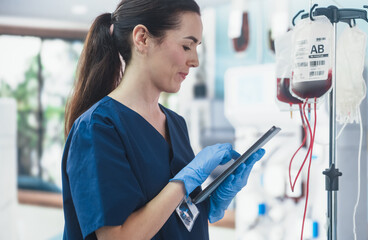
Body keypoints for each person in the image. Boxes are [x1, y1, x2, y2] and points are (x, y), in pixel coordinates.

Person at [61, 0, 265, 239]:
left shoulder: (175, 124)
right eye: (187, 46)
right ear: (142, 39)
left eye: (197, 47)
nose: (195, 61)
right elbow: (117, 236)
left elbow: (171, 216)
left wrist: (209, 201)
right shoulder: (97, 128)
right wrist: (183, 182)